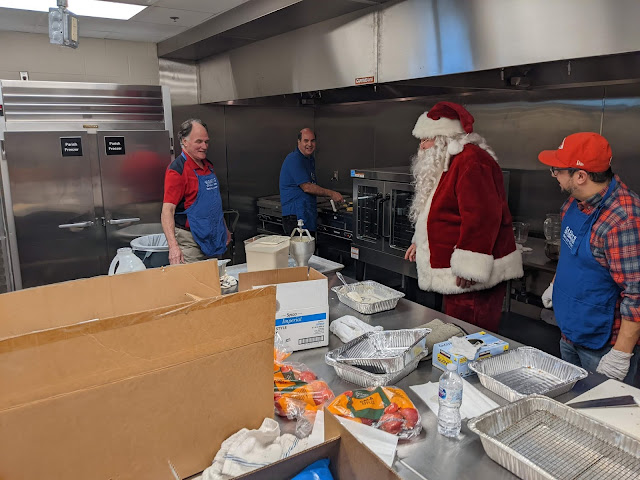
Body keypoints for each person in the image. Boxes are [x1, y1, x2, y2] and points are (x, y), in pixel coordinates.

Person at [404, 101, 523, 332]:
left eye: (426, 140)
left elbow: (482, 217)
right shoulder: (449, 162)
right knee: (456, 332)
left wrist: (470, 267)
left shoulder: (472, 160)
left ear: (443, 138)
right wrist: (421, 241)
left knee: (470, 336)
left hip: (471, 277)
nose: (422, 147)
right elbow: (437, 209)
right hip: (455, 272)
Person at [538, 132, 640, 385]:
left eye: (557, 170)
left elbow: (636, 293)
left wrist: (620, 354)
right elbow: (571, 252)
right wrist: (556, 284)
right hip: (570, 331)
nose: (554, 175)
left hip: (603, 347)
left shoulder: (623, 220)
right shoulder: (574, 203)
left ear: (581, 176)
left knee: (600, 408)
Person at [161, 119, 230, 264]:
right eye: (199, 141)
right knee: (194, 278)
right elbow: (167, 211)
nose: (204, 146)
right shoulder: (177, 170)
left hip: (213, 238)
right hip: (190, 241)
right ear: (184, 141)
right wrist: (173, 247)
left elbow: (214, 202)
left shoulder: (208, 166)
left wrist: (224, 229)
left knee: (216, 276)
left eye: (206, 142)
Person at [279, 128, 344, 235]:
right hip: (295, 217)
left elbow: (311, 184)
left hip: (307, 214)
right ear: (299, 142)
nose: (309, 144)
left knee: (309, 246)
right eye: (306, 140)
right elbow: (307, 187)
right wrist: (332, 193)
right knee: (301, 246)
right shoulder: (294, 159)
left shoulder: (309, 160)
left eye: (312, 141)